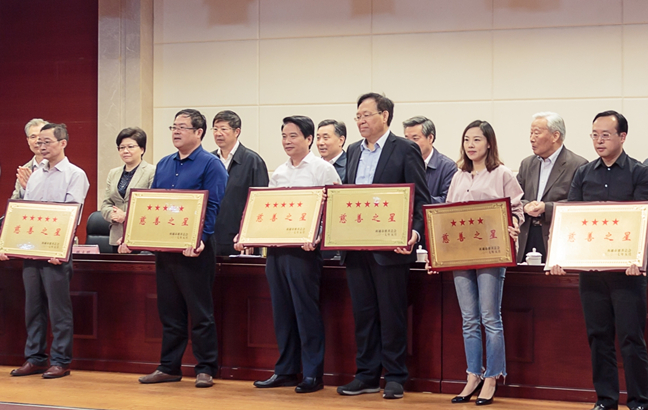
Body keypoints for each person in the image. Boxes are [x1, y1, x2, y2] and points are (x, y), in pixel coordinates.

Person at [550, 110, 648, 410]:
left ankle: (639, 401)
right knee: (598, 336)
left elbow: (643, 220)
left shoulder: (639, 172)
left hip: (627, 273)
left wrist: (639, 257)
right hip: (591, 273)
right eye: (594, 135)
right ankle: (605, 400)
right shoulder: (583, 173)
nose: (599, 141)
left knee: (631, 338)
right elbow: (572, 219)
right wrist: (560, 256)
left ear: (623, 136)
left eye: (605, 135)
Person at [123, 109, 228, 388]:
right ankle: (169, 367)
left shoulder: (211, 164)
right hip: (166, 247)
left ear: (199, 132)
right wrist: (136, 236)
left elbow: (213, 206)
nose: (176, 132)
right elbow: (154, 203)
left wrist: (200, 238)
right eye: (173, 127)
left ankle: (205, 368)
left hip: (196, 249)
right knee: (169, 311)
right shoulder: (164, 163)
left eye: (182, 127)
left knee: (200, 312)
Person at [337, 93, 430, 400]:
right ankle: (365, 375)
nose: (361, 121)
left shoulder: (405, 149)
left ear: (385, 115)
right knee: (363, 315)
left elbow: (421, 199)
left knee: (392, 314)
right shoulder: (353, 150)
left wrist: (414, 233)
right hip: (356, 247)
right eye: (358, 116)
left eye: (366, 115)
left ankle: (395, 376)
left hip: (390, 249)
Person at [241, 116, 340, 394]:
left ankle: (312, 374)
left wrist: (318, 237)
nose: (287, 141)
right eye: (284, 136)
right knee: (282, 312)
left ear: (309, 139)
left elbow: (333, 212)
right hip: (276, 251)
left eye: (293, 135)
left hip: (304, 253)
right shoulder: (279, 173)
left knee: (305, 312)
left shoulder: (323, 170)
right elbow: (267, 213)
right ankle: (285, 370)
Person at [432, 120, 523, 406]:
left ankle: (492, 377)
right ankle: (473, 375)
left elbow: (516, 209)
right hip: (460, 254)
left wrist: (513, 223)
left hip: (491, 254)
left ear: (489, 143)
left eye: (477, 140)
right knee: (469, 319)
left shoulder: (502, 173)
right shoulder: (459, 175)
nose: (471, 145)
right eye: (467, 140)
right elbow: (446, 215)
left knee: (490, 318)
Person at [1, 123, 90, 379]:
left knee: (58, 309)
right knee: (33, 307)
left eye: (47, 142)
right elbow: (26, 213)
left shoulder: (75, 174)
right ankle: (35, 358)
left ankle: (60, 361)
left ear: (63, 143)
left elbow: (72, 215)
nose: (41, 146)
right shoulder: (35, 174)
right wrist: (8, 244)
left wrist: (59, 248)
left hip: (55, 252)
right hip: (32, 250)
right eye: (39, 142)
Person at [516, 112, 587, 263]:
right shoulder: (527, 164)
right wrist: (526, 206)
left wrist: (546, 208)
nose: (531, 138)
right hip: (527, 235)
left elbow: (579, 205)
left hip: (557, 237)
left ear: (555, 136)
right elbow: (514, 198)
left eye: (537, 133)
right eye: (531, 133)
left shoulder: (577, 165)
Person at [210, 110, 268, 256]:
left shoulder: (252, 161)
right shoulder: (209, 161)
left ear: (237, 132)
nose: (218, 133)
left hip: (239, 240)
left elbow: (260, 204)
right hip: (211, 238)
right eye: (215, 129)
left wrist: (249, 236)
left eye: (223, 129)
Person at [100, 127, 155, 251]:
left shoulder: (152, 171)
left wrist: (126, 216)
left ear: (142, 149)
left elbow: (152, 205)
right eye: (121, 147)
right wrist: (113, 214)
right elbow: (106, 204)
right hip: (116, 235)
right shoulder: (113, 173)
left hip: (141, 235)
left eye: (130, 147)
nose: (125, 151)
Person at [403, 116, 457, 204]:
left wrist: (417, 198)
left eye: (415, 138)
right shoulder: (401, 163)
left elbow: (447, 201)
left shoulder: (448, 167)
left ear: (430, 138)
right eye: (406, 139)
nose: (409, 144)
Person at [11, 118, 49, 199]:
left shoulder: (58, 167)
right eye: (33, 137)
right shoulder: (24, 170)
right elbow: (14, 201)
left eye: (41, 136)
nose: (37, 141)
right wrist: (25, 189)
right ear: (28, 141)